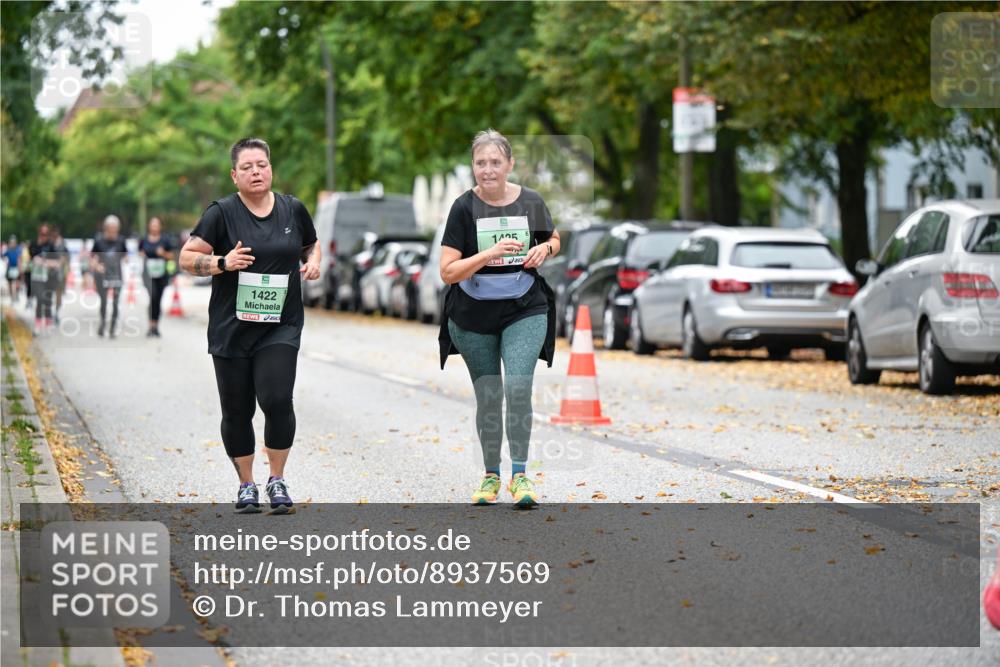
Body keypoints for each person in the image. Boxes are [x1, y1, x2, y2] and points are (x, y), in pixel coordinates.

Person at [179, 137, 320, 514]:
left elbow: (311, 243)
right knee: (237, 410)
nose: (256, 172)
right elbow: (186, 258)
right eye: (247, 167)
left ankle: (277, 479)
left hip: (280, 325)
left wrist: (313, 262)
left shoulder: (293, 209)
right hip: (232, 328)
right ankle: (246, 483)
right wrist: (222, 263)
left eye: (262, 165)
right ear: (234, 175)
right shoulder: (221, 213)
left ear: (270, 168)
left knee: (277, 399)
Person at [438, 129, 561, 508]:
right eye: (481, 163)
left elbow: (554, 239)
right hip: (472, 314)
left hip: (524, 307)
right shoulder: (463, 208)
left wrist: (545, 249)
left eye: (495, 162)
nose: (488, 170)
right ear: (473, 166)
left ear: (510, 164)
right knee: (490, 396)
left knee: (519, 386)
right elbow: (448, 271)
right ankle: (491, 475)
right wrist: (488, 254)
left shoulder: (530, 201)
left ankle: (520, 476)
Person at [91, 216, 128, 338]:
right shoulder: (99, 241)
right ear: (106, 228)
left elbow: (125, 255)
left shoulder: (121, 240)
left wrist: (126, 259)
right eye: (111, 229)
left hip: (117, 275)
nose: (113, 232)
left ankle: (112, 327)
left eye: (115, 229)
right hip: (102, 275)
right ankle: (102, 324)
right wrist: (97, 266)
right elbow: (92, 257)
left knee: (116, 303)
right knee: (104, 301)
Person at [139, 217, 175, 337]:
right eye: (152, 225)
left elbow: (171, 256)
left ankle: (155, 327)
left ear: (160, 227)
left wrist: (163, 253)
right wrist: (142, 254)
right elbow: (139, 252)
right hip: (148, 274)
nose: (154, 227)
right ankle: (151, 325)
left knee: (158, 299)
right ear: (149, 226)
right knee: (153, 297)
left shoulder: (165, 240)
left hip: (161, 274)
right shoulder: (144, 240)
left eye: (156, 225)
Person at [28, 224, 59, 335]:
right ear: (39, 233)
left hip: (49, 277)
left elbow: (57, 263)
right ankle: (38, 325)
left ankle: (48, 323)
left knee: (48, 300)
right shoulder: (33, 244)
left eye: (46, 234)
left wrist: (44, 262)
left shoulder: (51, 245)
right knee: (40, 299)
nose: (43, 236)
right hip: (37, 277)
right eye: (42, 234)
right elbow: (29, 259)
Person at [50, 229, 69, 325]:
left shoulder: (62, 246)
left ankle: (56, 313)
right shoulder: (49, 245)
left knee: (58, 295)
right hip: (50, 274)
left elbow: (65, 259)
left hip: (59, 274)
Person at [3, 235, 22, 303]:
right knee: (10, 282)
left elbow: (19, 259)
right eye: (11, 242)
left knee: (17, 283)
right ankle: (12, 297)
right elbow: (3, 256)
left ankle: (16, 294)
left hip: (16, 268)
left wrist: (20, 268)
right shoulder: (8, 250)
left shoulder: (18, 250)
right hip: (10, 268)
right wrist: (6, 262)